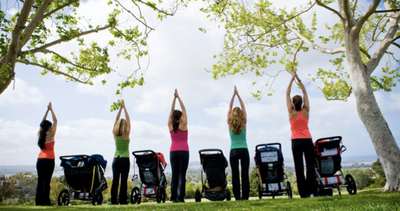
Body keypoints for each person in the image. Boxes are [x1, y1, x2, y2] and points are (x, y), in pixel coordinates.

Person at [286, 70, 316, 198]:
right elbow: (305, 93)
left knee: (299, 168)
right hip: (307, 140)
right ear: (302, 102)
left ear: (293, 103)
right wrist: (298, 79)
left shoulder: (291, 112)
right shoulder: (306, 110)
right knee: (310, 167)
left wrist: (291, 79)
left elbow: (287, 94)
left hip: (296, 141)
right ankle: (312, 192)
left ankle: (303, 194)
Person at [227, 86, 250, 200]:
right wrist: (238, 95)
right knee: (245, 175)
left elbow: (230, 107)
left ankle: (237, 197)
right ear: (240, 114)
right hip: (244, 150)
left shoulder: (230, 122)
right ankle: (245, 197)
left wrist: (233, 96)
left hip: (234, 151)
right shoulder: (244, 122)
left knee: (235, 175)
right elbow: (243, 107)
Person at [168, 89, 189, 203]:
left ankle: (173, 198)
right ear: (180, 116)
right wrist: (178, 97)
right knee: (182, 174)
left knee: (174, 174)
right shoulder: (184, 124)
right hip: (183, 151)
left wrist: (174, 99)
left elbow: (171, 111)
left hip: (173, 152)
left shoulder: (170, 125)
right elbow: (184, 110)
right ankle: (180, 198)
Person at [36, 102, 57, 206]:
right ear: (49, 127)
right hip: (49, 160)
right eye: (51, 125)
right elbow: (56, 121)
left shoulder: (40, 134)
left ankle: (38, 202)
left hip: (40, 160)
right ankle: (46, 202)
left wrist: (47, 111)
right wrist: (51, 110)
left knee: (40, 181)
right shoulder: (51, 135)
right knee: (47, 182)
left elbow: (42, 123)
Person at [111, 99, 131, 204]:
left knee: (115, 181)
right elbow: (128, 119)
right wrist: (124, 108)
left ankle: (113, 200)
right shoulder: (126, 134)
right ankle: (123, 200)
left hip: (115, 159)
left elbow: (116, 120)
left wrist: (120, 108)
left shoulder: (115, 134)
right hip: (124, 159)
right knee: (123, 181)